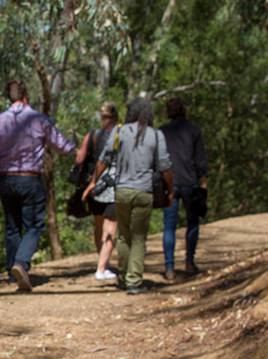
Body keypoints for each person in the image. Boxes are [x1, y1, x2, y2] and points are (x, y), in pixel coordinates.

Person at [0, 80, 77, 291]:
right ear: (25, 95)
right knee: (34, 226)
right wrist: (77, 145)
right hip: (30, 179)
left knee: (12, 227)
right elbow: (62, 147)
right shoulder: (38, 119)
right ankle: (21, 264)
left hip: (6, 180)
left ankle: (13, 275)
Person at [83, 97, 173, 295]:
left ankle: (123, 277)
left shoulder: (119, 131)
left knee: (123, 235)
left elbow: (104, 159)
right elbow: (165, 166)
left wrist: (93, 182)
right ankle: (134, 280)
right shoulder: (156, 135)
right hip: (144, 192)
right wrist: (171, 190)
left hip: (121, 191)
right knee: (139, 237)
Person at [159, 98, 209, 280]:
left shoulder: (162, 131)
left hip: (169, 184)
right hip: (190, 182)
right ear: (185, 110)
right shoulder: (195, 130)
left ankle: (169, 268)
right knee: (193, 222)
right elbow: (200, 160)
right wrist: (203, 184)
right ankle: (189, 262)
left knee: (169, 226)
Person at [75, 101, 120, 280]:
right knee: (111, 224)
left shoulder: (92, 135)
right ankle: (103, 265)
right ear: (115, 116)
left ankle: (102, 261)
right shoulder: (120, 135)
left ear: (101, 117)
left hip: (94, 185)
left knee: (99, 224)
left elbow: (79, 159)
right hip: (113, 183)